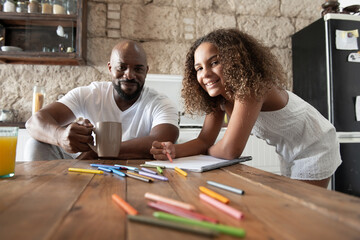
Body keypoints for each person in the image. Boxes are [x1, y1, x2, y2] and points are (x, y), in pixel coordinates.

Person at [150, 28, 342, 188]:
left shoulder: (250, 89)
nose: (205, 74)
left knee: (303, 210)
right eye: (199, 68)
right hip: (289, 148)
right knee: (292, 206)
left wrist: (204, 151)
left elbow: (229, 151)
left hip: (315, 144)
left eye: (214, 62)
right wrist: (174, 150)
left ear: (235, 60)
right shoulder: (219, 99)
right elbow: (204, 140)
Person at [25, 40, 179, 160]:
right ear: (110, 68)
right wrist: (61, 136)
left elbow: (163, 140)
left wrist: (100, 152)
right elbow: (34, 122)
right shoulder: (89, 94)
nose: (130, 75)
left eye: (138, 69)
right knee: (36, 143)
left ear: (146, 71)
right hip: (85, 164)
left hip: (135, 170)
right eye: (122, 67)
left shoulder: (160, 103)